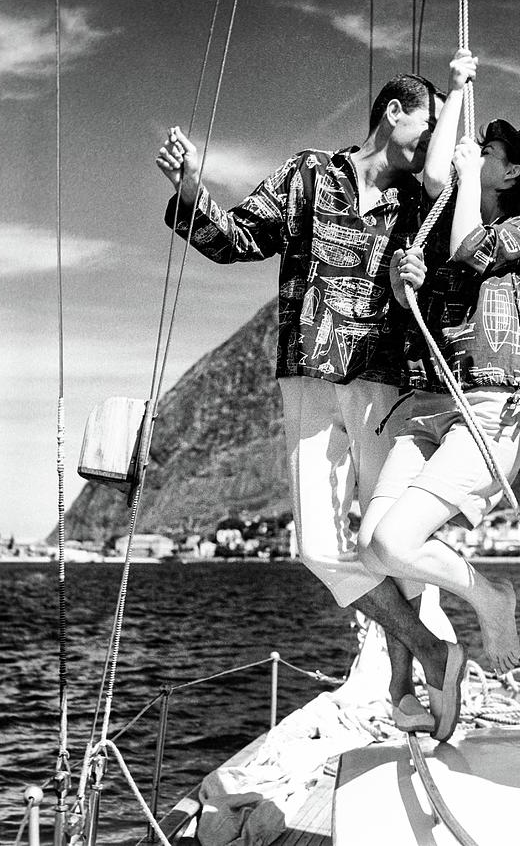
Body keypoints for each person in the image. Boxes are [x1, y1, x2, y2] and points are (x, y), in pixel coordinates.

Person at [155, 69, 467, 737]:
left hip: (387, 378)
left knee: (393, 541)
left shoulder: (425, 200)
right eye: (427, 122)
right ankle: (432, 651)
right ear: (394, 112)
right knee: (319, 547)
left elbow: (453, 282)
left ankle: (405, 691)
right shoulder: (307, 176)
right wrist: (189, 192)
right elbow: (237, 240)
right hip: (307, 372)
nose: (432, 138)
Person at [358, 49, 520, 739]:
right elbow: (439, 184)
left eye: (493, 152)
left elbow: (473, 245)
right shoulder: (455, 211)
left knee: (394, 537)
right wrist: (402, 280)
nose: (480, 154)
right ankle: (443, 654)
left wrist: (464, 173)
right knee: (369, 548)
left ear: (513, 173)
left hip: (487, 403)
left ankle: (491, 598)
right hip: (425, 401)